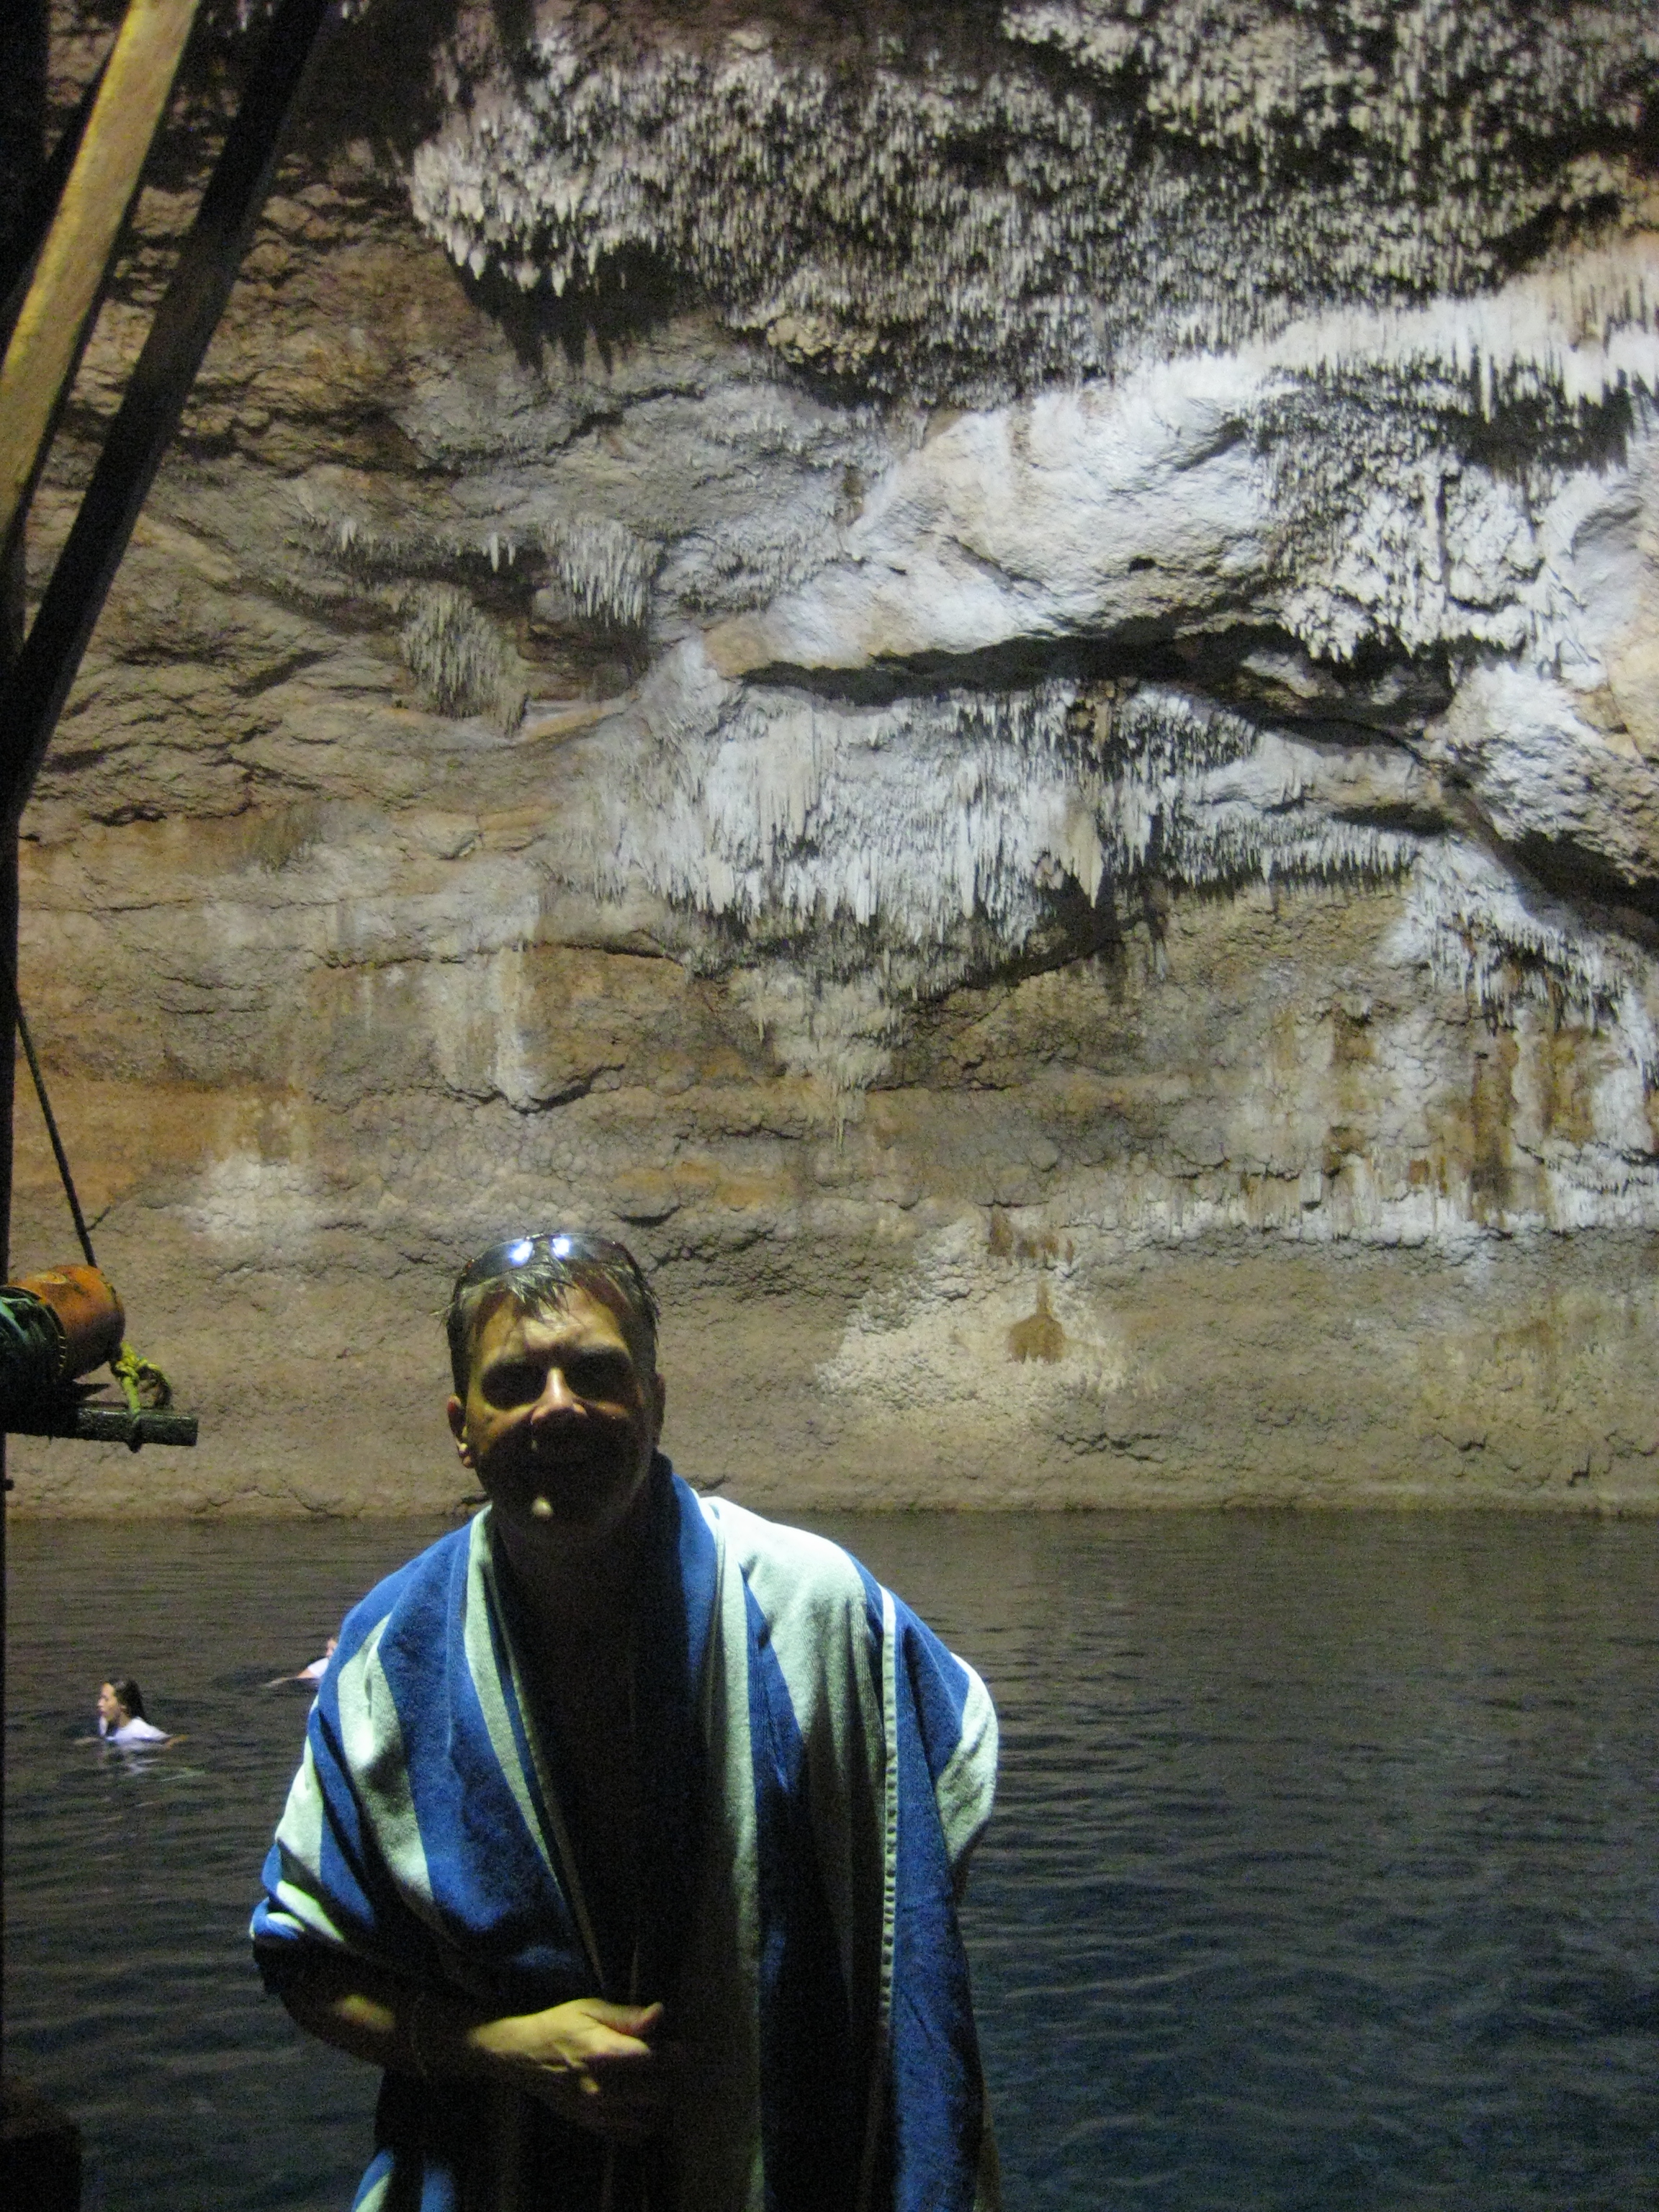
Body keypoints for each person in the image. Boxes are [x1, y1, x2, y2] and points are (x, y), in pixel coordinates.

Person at [252, 1231, 999, 2212]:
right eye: (515, 1381)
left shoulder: (816, 1610)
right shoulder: (394, 1656)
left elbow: (921, 1856)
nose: (557, 1404)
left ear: (655, 1399)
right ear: (462, 1427)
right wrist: (504, 2049)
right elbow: (306, 1961)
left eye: (596, 1372)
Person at [95, 1678, 169, 1745]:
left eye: (106, 1699)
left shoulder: (141, 1731)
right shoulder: (104, 1723)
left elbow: (170, 1740)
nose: (99, 1704)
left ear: (123, 1704)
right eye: (101, 1698)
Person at [266, 1637, 338, 1688]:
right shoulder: (324, 1664)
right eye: (328, 1649)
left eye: (333, 1650)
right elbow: (300, 1680)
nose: (327, 1654)